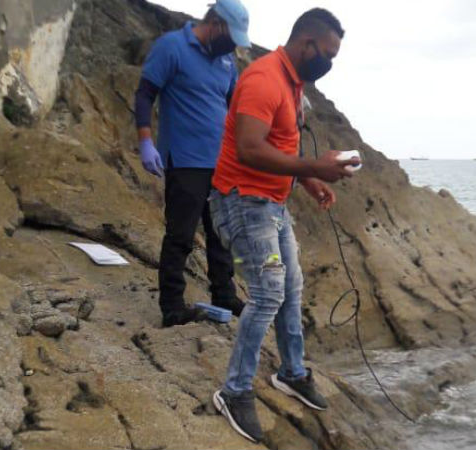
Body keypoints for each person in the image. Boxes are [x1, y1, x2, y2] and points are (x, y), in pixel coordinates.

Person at [209, 8, 357, 443]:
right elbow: (251, 149)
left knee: (292, 286)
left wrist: (310, 181)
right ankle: (234, 391)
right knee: (268, 292)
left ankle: (291, 372)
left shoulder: (293, 84)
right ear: (306, 43)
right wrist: (315, 165)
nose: (328, 63)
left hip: (272, 204)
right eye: (327, 53)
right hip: (240, 203)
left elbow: (281, 146)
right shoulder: (263, 79)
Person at [134, 0, 250, 327]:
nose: (232, 45)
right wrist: (145, 141)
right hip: (184, 160)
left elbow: (237, 105)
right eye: (230, 36)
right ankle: (172, 306)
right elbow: (145, 94)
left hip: (222, 163)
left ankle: (224, 294)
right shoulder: (172, 47)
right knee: (180, 235)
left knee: (220, 235)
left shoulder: (226, 60)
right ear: (214, 23)